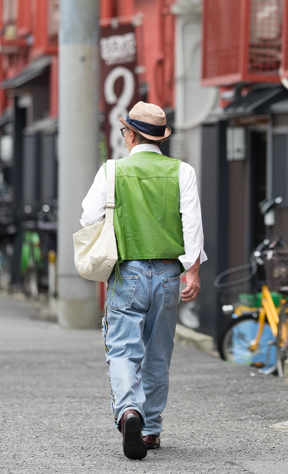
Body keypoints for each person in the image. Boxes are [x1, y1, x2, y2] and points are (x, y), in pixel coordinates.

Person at [80, 102, 206, 460]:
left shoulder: (112, 171)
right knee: (158, 353)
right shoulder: (182, 171)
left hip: (127, 272)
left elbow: (88, 216)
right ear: (161, 138)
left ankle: (129, 412)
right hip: (169, 274)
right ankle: (149, 430)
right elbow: (192, 223)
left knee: (122, 348)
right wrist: (192, 271)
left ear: (130, 134)